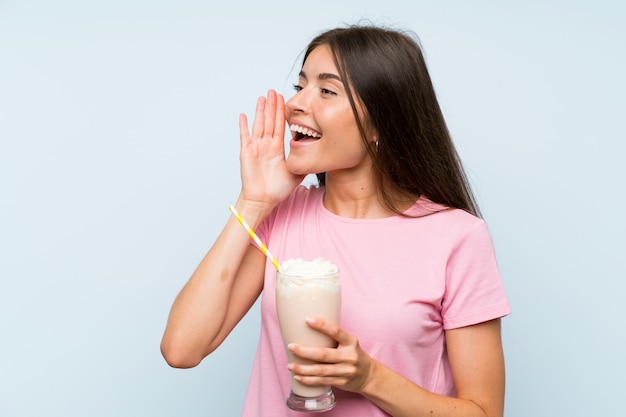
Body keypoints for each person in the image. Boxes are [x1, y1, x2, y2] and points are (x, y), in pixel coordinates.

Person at [161, 24, 511, 417]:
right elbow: (181, 349)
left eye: (326, 91)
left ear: (382, 122)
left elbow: (484, 412)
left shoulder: (457, 237)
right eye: (300, 87)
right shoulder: (283, 214)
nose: (296, 105)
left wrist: (369, 378)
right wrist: (252, 202)